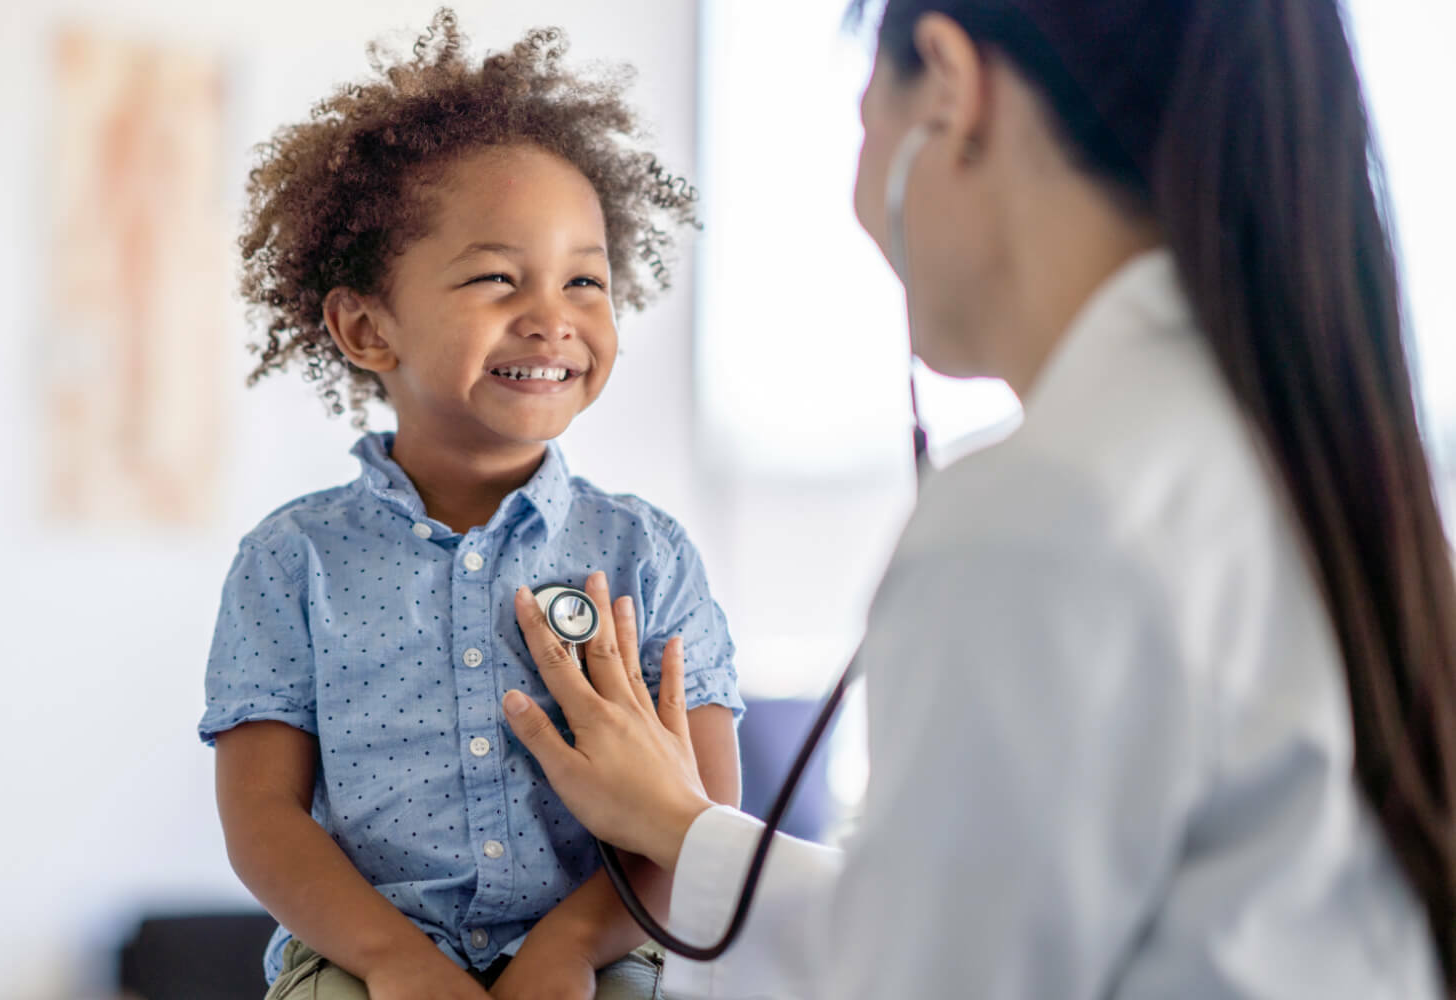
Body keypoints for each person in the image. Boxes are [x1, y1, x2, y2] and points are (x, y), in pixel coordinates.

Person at [499, 0, 1456, 997]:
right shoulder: (1273, 447)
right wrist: (684, 829)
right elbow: (974, 923)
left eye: (865, 121)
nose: (864, 205)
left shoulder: (1047, 511)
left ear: (949, 89)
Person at [198, 12, 744, 1000]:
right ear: (367, 327)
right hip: (364, 959)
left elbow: (704, 812)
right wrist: (395, 961)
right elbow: (263, 821)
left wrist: (573, 946)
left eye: (585, 278)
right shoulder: (293, 561)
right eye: (498, 277)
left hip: (609, 948)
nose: (553, 315)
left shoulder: (647, 554)